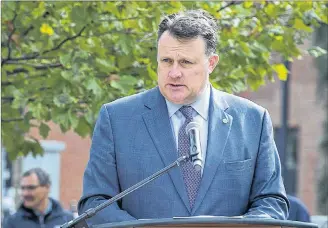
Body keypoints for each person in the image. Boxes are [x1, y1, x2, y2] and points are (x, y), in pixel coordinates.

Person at [78, 9, 289, 225]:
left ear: (211, 63)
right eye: (167, 61)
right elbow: (96, 203)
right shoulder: (116, 119)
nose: (174, 73)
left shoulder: (253, 120)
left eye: (186, 62)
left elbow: (271, 201)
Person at [3, 168, 74, 228]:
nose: (25, 193)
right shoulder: (12, 222)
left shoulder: (67, 219)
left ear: (47, 188)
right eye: (23, 188)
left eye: (31, 188)